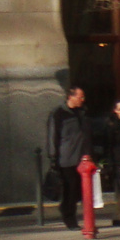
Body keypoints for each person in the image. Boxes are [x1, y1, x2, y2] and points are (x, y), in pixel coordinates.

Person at [46, 86, 93, 230]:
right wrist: (53, 158)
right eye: (80, 96)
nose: (83, 99)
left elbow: (86, 135)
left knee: (78, 190)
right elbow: (52, 136)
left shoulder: (83, 112)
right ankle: (69, 217)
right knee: (70, 189)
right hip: (66, 159)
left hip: (82, 158)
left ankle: (70, 212)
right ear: (70, 97)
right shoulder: (58, 114)